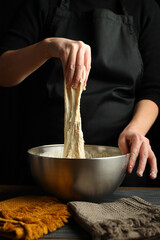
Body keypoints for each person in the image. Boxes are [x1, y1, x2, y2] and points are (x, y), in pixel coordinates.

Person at [0, 0, 160, 185]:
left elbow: (153, 89)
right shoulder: (43, 4)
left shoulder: (143, 7)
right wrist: (47, 47)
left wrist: (136, 129)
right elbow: (3, 73)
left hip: (118, 164)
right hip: (49, 166)